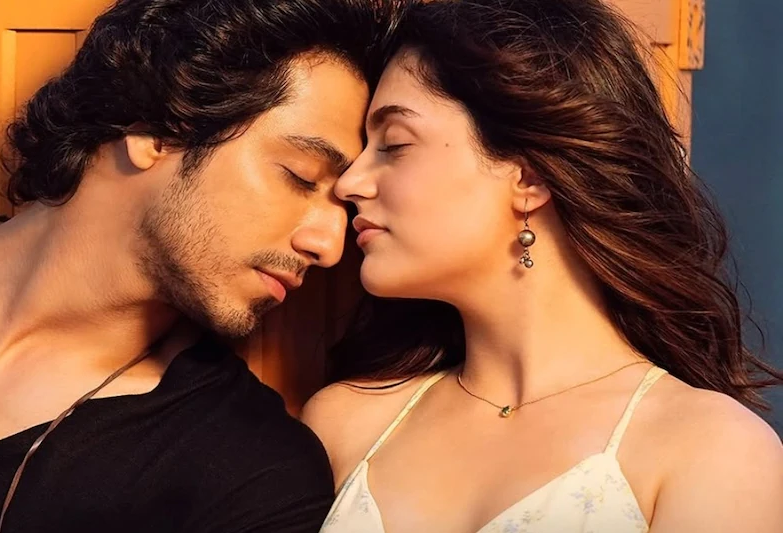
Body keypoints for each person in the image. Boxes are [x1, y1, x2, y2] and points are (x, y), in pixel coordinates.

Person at [0, 0, 405, 531]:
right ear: (155, 126)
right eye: (301, 176)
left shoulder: (251, 476)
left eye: (347, 210)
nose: (330, 247)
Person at [303, 1, 783, 532]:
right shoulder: (346, 426)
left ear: (529, 177)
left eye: (394, 144)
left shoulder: (709, 451)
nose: (349, 183)